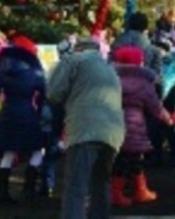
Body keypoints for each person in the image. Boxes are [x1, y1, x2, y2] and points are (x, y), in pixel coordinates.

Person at [48, 36, 125, 219]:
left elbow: (54, 93)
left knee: (76, 186)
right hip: (113, 132)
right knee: (101, 184)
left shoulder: (73, 60)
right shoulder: (110, 69)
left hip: (84, 129)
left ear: (78, 48)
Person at [0, 34, 48, 205]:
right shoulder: (35, 72)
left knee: (8, 153)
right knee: (37, 151)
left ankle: (1, 194)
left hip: (7, 114)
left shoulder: (4, 72)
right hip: (28, 115)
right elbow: (44, 96)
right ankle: (28, 192)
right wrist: (41, 115)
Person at [112, 45, 171, 207]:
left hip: (112, 122)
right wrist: (168, 119)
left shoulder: (111, 78)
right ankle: (123, 193)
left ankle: (134, 190)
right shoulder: (144, 82)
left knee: (121, 158)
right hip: (135, 123)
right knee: (133, 158)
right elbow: (155, 106)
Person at [111, 12, 164, 80]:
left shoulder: (115, 45)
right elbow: (157, 80)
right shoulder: (155, 52)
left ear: (129, 24)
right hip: (143, 88)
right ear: (145, 27)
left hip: (116, 87)